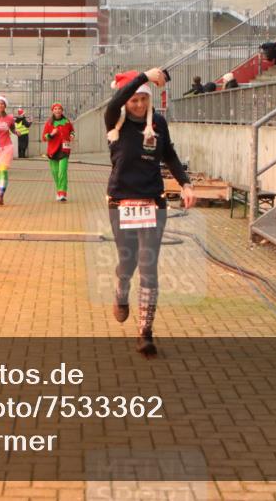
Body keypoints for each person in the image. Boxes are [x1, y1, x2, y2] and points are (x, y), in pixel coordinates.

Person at [105, 69, 195, 358]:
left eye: (143, 99)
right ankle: (121, 291)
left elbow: (168, 153)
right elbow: (114, 101)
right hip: (121, 202)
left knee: (148, 265)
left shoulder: (157, 123)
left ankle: (145, 332)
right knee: (127, 262)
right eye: (133, 100)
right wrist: (144, 75)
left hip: (153, 202)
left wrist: (186, 183)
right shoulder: (114, 120)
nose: (139, 105)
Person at [43, 102, 74, 201]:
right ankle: (59, 191)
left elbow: (72, 130)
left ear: (62, 110)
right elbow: (44, 137)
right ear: (52, 111)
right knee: (55, 173)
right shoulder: (49, 123)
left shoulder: (67, 121)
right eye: (55, 109)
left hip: (64, 150)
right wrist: (51, 134)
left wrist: (72, 135)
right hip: (53, 150)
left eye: (59, 109)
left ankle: (63, 193)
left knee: (62, 171)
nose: (57, 110)